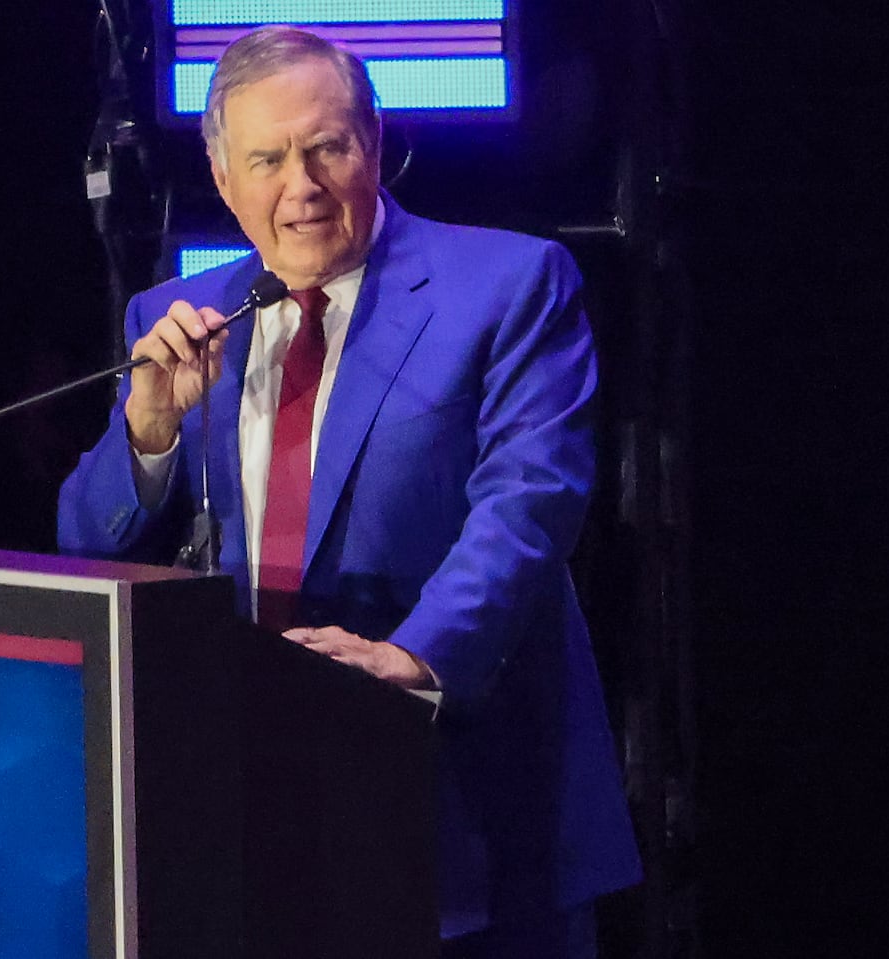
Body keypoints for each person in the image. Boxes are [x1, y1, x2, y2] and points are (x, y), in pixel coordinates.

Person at [57, 26, 641, 957]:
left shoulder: (509, 283)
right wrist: (150, 431)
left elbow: (529, 507)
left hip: (469, 817)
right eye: (267, 158)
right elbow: (88, 549)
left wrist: (410, 661)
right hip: (254, 817)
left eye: (326, 146)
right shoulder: (176, 317)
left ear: (374, 140)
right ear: (220, 175)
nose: (301, 185)